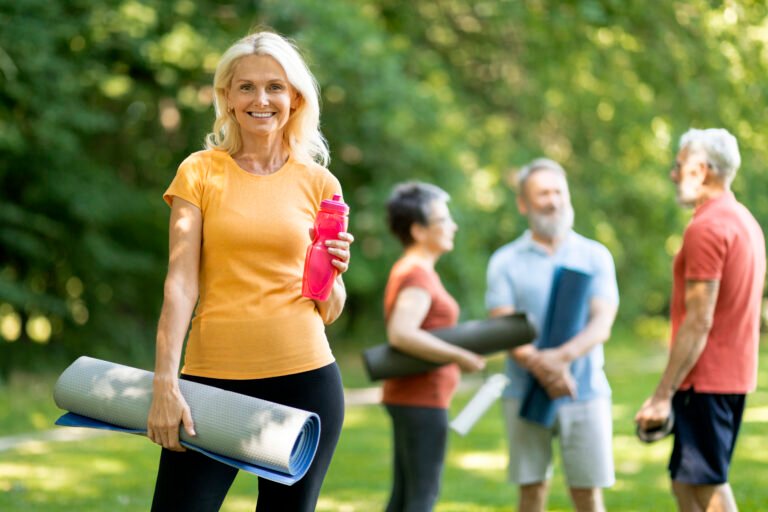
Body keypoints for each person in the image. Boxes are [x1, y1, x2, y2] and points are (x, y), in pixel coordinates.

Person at [146, 31, 354, 512]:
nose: (261, 99)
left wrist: (334, 275)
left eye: (275, 87)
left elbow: (328, 308)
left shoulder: (320, 182)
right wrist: (165, 383)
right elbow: (180, 284)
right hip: (210, 382)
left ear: (295, 97)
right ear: (227, 97)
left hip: (306, 381)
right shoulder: (199, 172)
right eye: (246, 87)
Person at [635, 128, 765, 512]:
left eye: (679, 166)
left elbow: (699, 320)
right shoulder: (743, 220)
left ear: (701, 170)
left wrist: (662, 394)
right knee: (685, 482)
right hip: (729, 375)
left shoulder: (706, 228)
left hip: (707, 378)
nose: (673, 175)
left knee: (707, 486)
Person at [485, 158, 619, 512]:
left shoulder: (595, 255)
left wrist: (560, 360)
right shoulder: (505, 260)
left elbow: (602, 322)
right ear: (523, 203)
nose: (553, 200)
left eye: (559, 191)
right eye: (543, 193)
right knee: (532, 490)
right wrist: (543, 368)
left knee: (588, 494)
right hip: (523, 392)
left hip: (586, 391)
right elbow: (505, 326)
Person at [381, 182, 485, 512]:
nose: (452, 225)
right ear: (418, 230)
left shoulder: (416, 270)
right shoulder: (416, 275)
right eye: (443, 219)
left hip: (415, 398)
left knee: (404, 497)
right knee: (422, 496)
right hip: (421, 399)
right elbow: (401, 333)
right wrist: (458, 355)